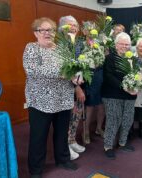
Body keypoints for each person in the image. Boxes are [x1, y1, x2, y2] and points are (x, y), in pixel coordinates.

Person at [23, 17, 78, 178]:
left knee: (62, 133)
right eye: (43, 30)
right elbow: (32, 71)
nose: (47, 33)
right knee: (38, 136)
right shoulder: (31, 48)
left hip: (63, 99)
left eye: (51, 30)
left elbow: (72, 69)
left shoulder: (62, 49)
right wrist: (61, 73)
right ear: (36, 33)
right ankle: (36, 170)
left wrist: (76, 77)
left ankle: (63, 159)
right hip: (40, 101)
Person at [101, 32, 137, 159]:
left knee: (128, 119)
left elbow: (137, 75)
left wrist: (138, 84)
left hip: (130, 95)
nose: (124, 46)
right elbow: (108, 76)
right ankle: (108, 146)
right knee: (113, 120)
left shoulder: (132, 58)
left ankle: (122, 142)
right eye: (122, 44)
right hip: (112, 94)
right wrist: (124, 87)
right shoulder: (110, 58)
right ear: (116, 45)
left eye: (127, 44)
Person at [58, 15, 86, 160]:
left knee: (76, 114)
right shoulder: (59, 44)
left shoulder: (79, 43)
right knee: (66, 118)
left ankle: (72, 140)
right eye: (70, 25)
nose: (74, 28)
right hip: (65, 88)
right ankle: (64, 146)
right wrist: (77, 88)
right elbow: (64, 70)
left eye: (75, 25)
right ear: (62, 27)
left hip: (78, 83)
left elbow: (82, 65)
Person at [81, 21, 105, 143]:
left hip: (100, 75)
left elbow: (105, 58)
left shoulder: (100, 43)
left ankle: (98, 128)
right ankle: (85, 131)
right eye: (88, 29)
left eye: (93, 29)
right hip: (89, 76)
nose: (91, 32)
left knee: (101, 105)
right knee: (90, 105)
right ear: (84, 31)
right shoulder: (80, 44)